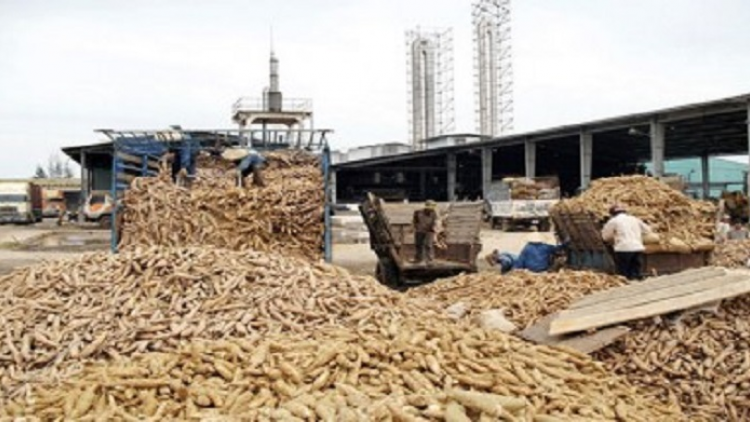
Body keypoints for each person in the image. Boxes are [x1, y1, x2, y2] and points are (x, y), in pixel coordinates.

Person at [601, 204, 653, 280]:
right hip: (637, 247)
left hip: (623, 248)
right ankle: (637, 281)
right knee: (636, 267)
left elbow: (605, 236)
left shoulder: (613, 221)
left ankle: (626, 283)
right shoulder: (634, 219)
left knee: (623, 271)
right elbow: (648, 230)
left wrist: (612, 238)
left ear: (612, 214)